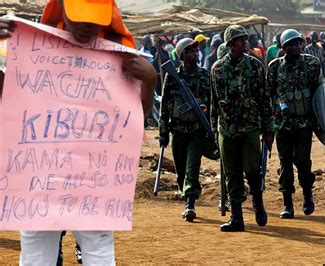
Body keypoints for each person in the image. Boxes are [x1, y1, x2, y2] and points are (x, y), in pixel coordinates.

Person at [0, 0, 157, 265]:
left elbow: (132, 122)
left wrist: (150, 82)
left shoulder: (121, 57)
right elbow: (9, 99)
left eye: (95, 19)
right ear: (60, 8)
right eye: (79, 17)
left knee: (97, 249)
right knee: (37, 253)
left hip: (93, 181)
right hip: (39, 179)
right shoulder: (34, 49)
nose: (87, 25)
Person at [210, 25, 274, 232]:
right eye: (239, 39)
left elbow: (265, 99)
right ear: (230, 43)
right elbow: (214, 102)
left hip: (250, 127)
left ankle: (258, 204)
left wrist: (268, 129)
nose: (244, 42)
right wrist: (213, 130)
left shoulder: (255, 66)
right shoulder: (217, 69)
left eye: (245, 39)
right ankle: (237, 217)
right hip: (227, 129)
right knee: (232, 173)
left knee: (253, 169)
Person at [268, 29, 320, 219]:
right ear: (283, 47)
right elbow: (270, 94)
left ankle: (307, 194)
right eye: (289, 44)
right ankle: (287, 203)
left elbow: (320, 93)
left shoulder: (312, 64)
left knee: (303, 162)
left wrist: (320, 121)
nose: (294, 47)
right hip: (282, 124)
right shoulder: (275, 67)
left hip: (304, 124)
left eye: (297, 43)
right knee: (285, 163)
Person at [159, 38, 211, 222]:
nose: (196, 54)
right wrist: (163, 131)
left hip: (197, 130)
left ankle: (190, 203)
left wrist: (211, 130)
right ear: (182, 55)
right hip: (178, 130)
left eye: (197, 51)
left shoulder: (205, 76)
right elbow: (165, 105)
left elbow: (210, 105)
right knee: (181, 169)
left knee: (192, 167)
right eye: (191, 51)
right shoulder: (172, 76)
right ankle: (185, 194)